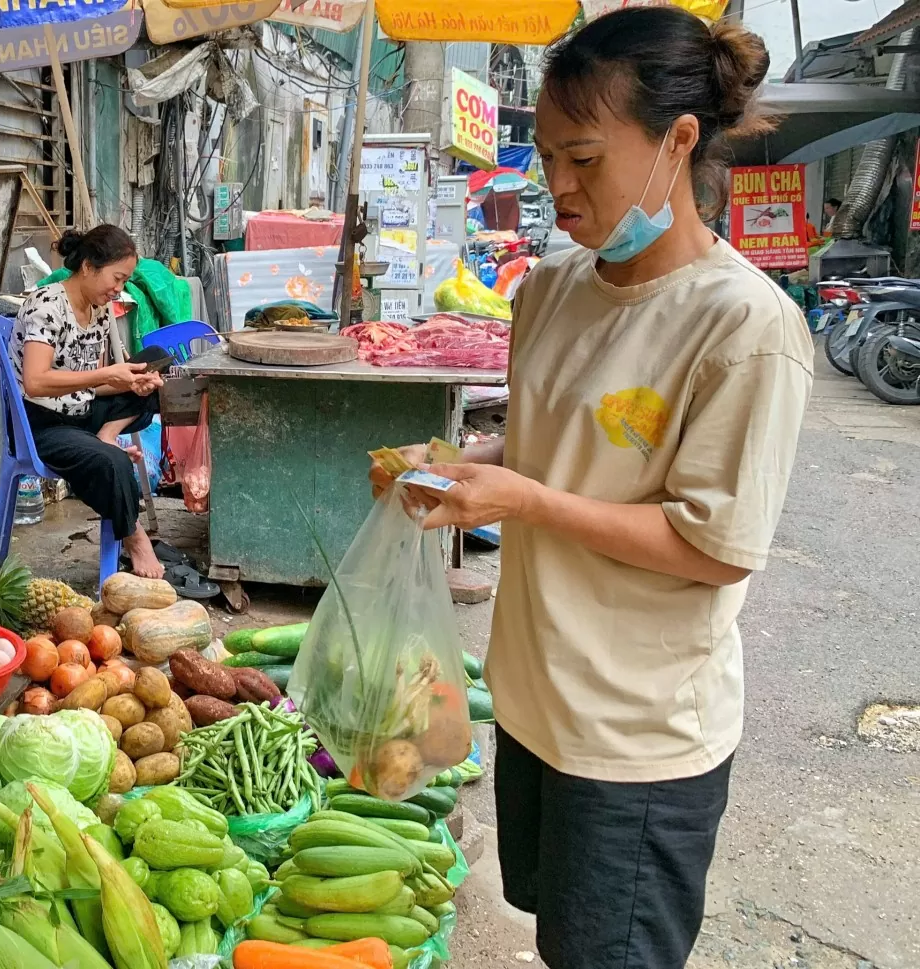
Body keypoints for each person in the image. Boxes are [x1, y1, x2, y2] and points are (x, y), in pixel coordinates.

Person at [371, 9, 812, 969]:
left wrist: (520, 501)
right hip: (533, 701)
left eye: (583, 157)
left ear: (678, 142)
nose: (557, 187)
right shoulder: (552, 289)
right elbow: (544, 454)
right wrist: (456, 466)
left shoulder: (744, 327)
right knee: (561, 932)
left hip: (635, 738)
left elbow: (712, 545)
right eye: (544, 156)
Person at [10, 225, 166, 578]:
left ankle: (107, 435)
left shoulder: (98, 310)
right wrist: (109, 376)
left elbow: (92, 385)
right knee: (113, 464)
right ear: (88, 267)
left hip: (79, 410)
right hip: (41, 423)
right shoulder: (47, 305)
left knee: (154, 363)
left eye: (124, 280)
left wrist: (132, 381)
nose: (119, 288)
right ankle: (134, 536)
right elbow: (35, 382)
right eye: (117, 277)